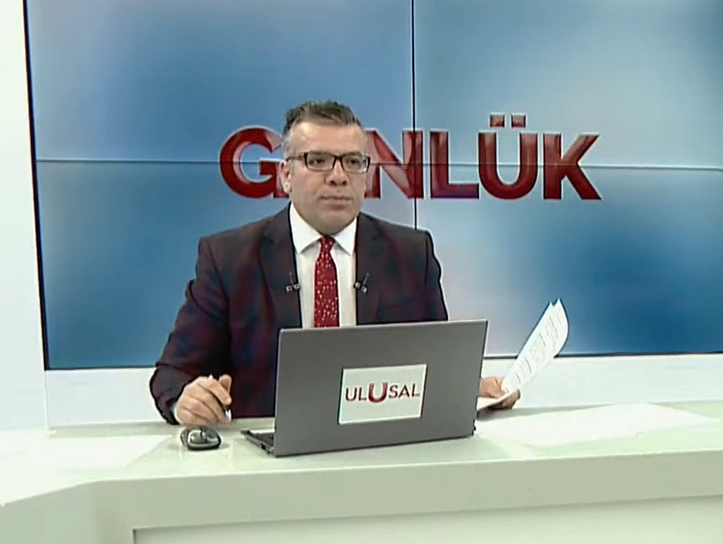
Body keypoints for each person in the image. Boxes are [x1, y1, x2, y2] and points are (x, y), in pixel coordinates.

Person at [151, 100, 517, 426]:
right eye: (318, 160)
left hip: (384, 452)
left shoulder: (411, 253)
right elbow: (172, 375)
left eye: (353, 162)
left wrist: (470, 388)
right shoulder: (230, 258)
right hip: (270, 463)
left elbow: (436, 367)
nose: (339, 176)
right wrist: (186, 400)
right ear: (286, 175)